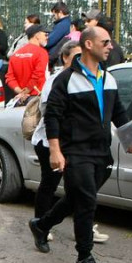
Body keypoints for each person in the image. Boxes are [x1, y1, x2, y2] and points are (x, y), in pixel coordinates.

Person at [29, 27, 132, 263]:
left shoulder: (108, 78)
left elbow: (119, 112)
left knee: (77, 197)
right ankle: (84, 256)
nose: (110, 46)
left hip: (101, 151)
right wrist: (55, 151)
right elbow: (53, 117)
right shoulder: (66, 79)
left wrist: (130, 140)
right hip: (75, 151)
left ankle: (42, 224)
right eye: (106, 42)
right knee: (87, 202)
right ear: (89, 45)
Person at [30, 42, 111, 245]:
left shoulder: (92, 78)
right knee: (50, 184)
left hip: (76, 145)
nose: (82, 59)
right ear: (66, 58)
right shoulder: (57, 80)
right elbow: (52, 114)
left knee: (81, 188)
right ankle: (41, 222)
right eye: (76, 55)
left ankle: (81, 226)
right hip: (51, 143)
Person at [5, 24, 49, 104]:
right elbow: (38, 75)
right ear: (37, 35)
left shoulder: (15, 54)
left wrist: (20, 92)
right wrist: (27, 90)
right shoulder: (41, 52)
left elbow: (9, 77)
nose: (47, 37)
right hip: (37, 97)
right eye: (45, 34)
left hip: (20, 98)